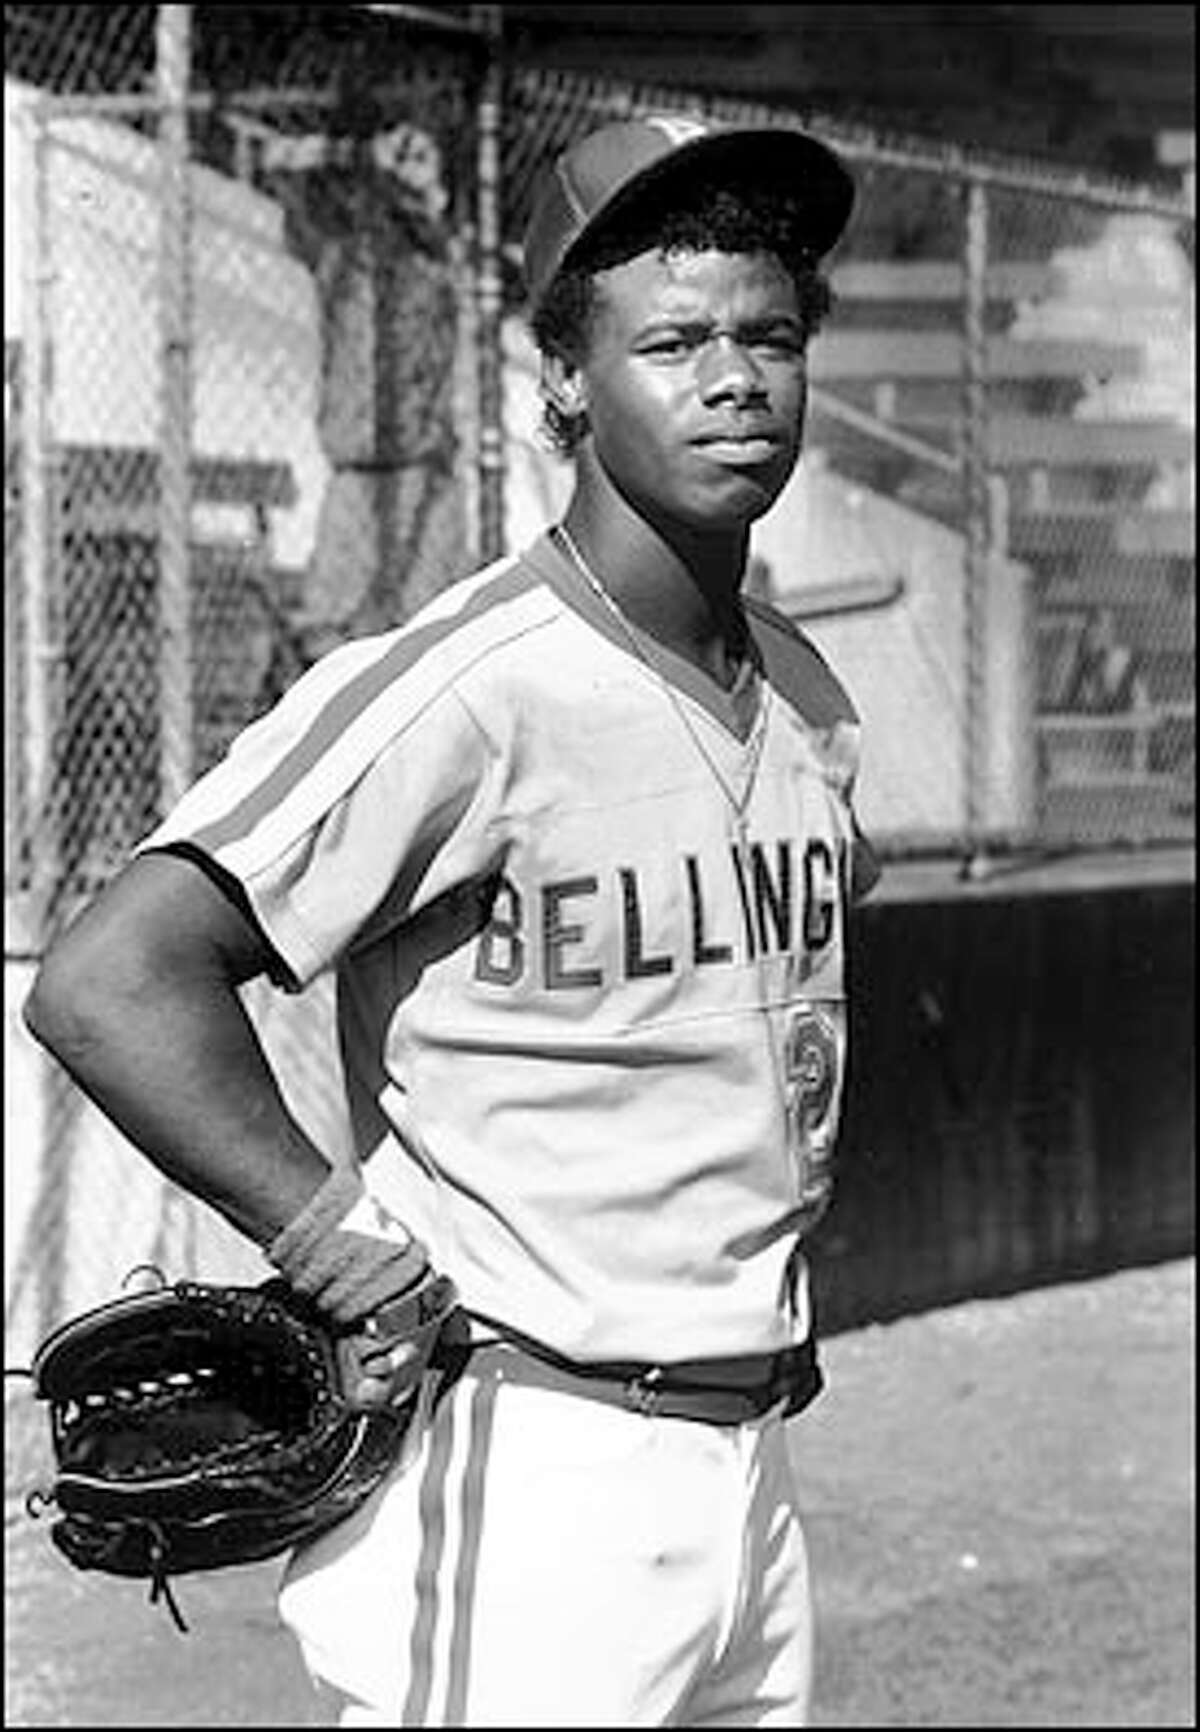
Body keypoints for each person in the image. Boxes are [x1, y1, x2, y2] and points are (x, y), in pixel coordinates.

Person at [25, 111, 879, 1727]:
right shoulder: (472, 685)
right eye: (672, 339)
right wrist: (322, 1233)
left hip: (749, 1464)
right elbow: (110, 977)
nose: (735, 378)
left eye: (770, 336)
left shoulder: (807, 693)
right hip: (533, 1454)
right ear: (565, 381)